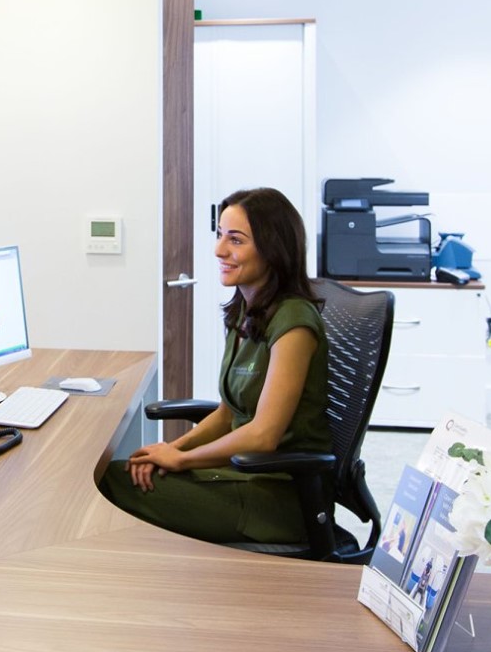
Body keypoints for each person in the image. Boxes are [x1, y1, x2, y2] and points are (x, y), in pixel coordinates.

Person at [98, 187, 329, 545]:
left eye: (236, 240)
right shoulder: (247, 311)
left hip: (272, 496)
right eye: (220, 235)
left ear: (273, 248)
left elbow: (264, 435)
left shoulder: (294, 321)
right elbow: (227, 414)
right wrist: (175, 450)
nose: (219, 250)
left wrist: (181, 459)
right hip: (239, 474)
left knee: (110, 481)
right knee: (128, 471)